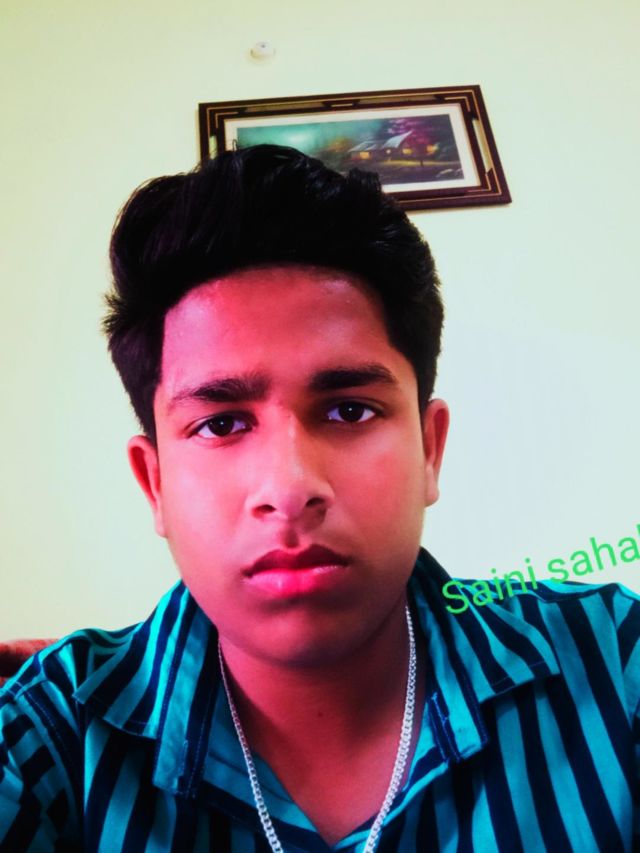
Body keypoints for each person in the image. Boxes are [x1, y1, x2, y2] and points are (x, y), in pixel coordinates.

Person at [0, 144, 639, 852]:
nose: (290, 486)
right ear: (155, 483)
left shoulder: (615, 661)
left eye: (349, 410)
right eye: (221, 424)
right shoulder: (46, 738)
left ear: (430, 449)